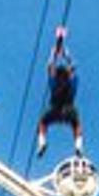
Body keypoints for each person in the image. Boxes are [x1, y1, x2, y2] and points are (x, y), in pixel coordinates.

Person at [35, 27, 84, 157]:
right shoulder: (72, 81)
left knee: (42, 123)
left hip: (55, 108)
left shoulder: (54, 81)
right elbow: (73, 66)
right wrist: (66, 54)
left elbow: (50, 66)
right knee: (76, 124)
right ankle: (78, 145)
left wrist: (54, 52)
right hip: (69, 108)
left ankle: (42, 142)